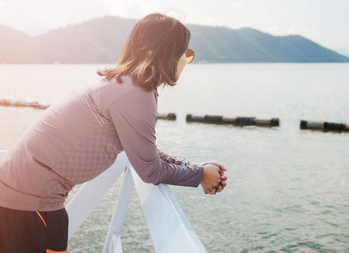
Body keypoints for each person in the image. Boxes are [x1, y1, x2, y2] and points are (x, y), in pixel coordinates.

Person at [0, 13, 227, 253]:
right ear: (170, 54)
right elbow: (150, 170)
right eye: (186, 53)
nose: (185, 60)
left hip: (18, 196)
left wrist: (192, 166)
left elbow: (143, 150)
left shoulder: (122, 84)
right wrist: (199, 175)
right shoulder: (136, 93)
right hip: (31, 205)